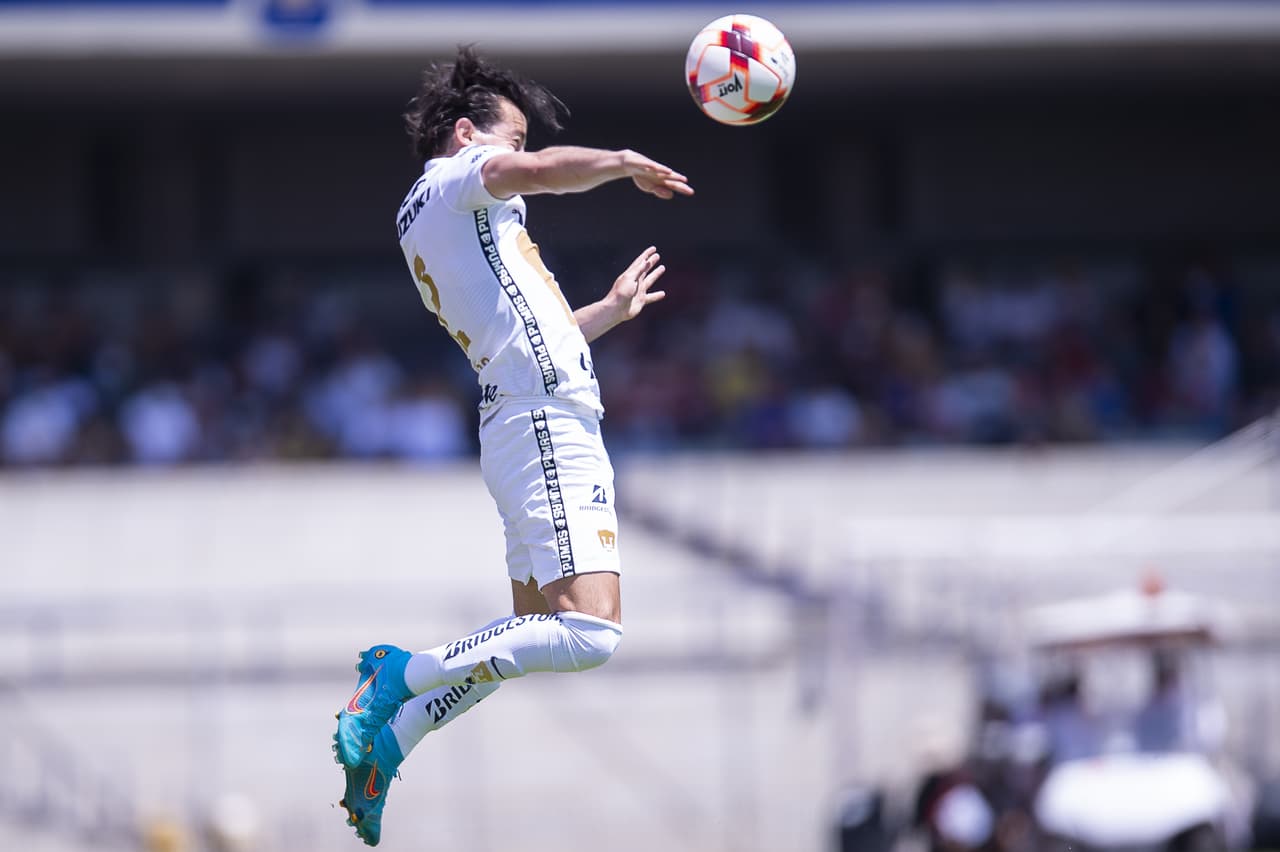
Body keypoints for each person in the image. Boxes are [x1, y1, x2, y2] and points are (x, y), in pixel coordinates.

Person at [332, 46, 693, 846]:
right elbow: (542, 173)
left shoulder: (440, 215)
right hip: (543, 420)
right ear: (466, 133)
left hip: (522, 412)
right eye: (513, 139)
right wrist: (621, 161)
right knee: (587, 634)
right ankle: (400, 675)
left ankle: (390, 744)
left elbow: (529, 330)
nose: (521, 155)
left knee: (533, 633)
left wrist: (606, 311)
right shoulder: (456, 180)